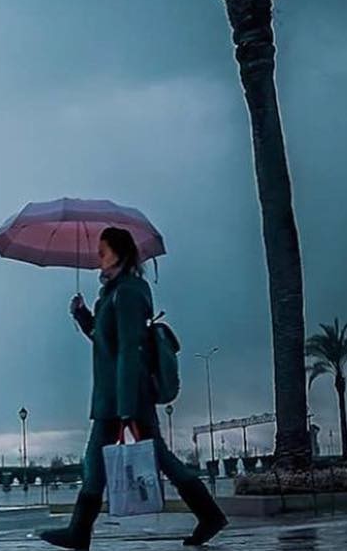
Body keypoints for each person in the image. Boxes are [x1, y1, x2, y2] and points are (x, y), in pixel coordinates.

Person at [39, 227, 226, 549]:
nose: (98, 259)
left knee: (107, 460)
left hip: (124, 397)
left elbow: (129, 349)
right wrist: (83, 315)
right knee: (141, 459)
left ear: (120, 253)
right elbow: (106, 342)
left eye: (103, 252)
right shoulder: (113, 293)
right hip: (114, 395)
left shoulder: (128, 293)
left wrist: (126, 407)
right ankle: (207, 515)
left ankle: (80, 531)